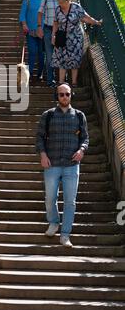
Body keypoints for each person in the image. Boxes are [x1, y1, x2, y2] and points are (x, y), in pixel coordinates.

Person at [36, 83, 89, 247]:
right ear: (56, 97)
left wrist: (82, 150)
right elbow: (39, 138)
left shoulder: (80, 116)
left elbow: (85, 138)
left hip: (72, 165)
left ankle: (65, 234)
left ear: (71, 95)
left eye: (67, 94)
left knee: (70, 201)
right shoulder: (48, 115)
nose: (64, 97)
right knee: (50, 198)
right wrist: (43, 154)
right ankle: (53, 222)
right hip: (52, 163)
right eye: (61, 94)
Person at [51, 0, 102, 87]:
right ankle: (61, 82)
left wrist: (95, 22)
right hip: (62, 38)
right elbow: (55, 22)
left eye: (61, 2)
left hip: (76, 38)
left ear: (68, 0)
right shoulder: (58, 9)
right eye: (59, 2)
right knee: (62, 58)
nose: (60, 4)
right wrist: (53, 35)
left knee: (75, 58)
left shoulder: (76, 7)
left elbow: (85, 17)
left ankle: (74, 82)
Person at [37, 0, 64, 87]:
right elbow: (40, 13)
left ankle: (61, 81)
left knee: (62, 56)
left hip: (61, 31)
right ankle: (50, 80)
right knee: (49, 57)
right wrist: (39, 27)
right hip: (48, 30)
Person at [19, 0, 45, 81]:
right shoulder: (27, 0)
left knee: (42, 53)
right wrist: (24, 25)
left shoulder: (46, 0)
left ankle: (40, 74)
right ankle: (28, 74)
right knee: (32, 52)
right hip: (30, 31)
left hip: (43, 31)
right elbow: (22, 15)